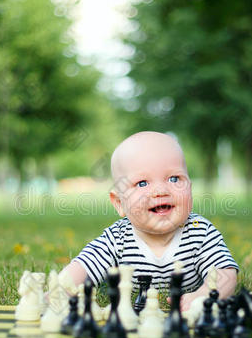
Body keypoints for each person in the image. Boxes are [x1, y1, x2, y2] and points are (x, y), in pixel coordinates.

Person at [60, 131, 238, 311]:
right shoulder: (117, 238)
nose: (161, 190)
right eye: (143, 183)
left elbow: (225, 272)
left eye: (174, 178)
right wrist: (59, 292)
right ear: (120, 203)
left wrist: (206, 294)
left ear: (190, 187)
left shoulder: (200, 232)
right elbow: (83, 267)